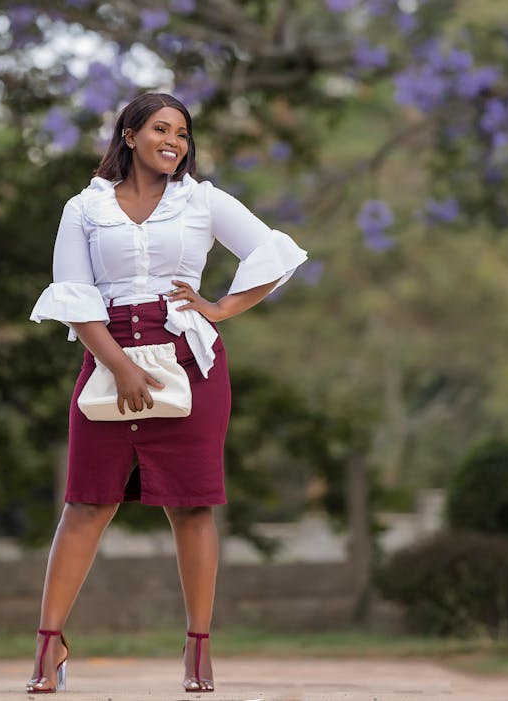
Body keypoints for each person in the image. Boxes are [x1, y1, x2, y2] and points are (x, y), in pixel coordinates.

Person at [26, 92, 307, 694]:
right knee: (87, 502)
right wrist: (121, 366)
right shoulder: (84, 207)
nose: (173, 141)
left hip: (190, 361)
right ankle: (49, 647)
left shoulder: (200, 200)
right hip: (107, 357)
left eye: (182, 132)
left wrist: (221, 308)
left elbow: (273, 254)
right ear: (129, 135)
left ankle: (198, 649)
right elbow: (74, 297)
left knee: (192, 503)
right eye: (160, 128)